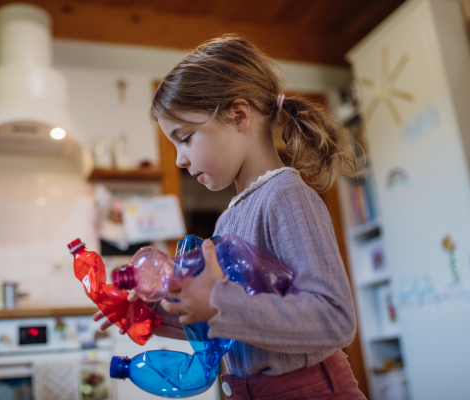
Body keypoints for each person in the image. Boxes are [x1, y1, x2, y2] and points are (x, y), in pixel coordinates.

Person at [94, 35, 366, 400]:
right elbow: (231, 326)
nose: (179, 159)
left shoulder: (285, 196)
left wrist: (220, 302)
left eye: (185, 137)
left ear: (239, 116)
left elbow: (335, 319)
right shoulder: (228, 221)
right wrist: (149, 314)